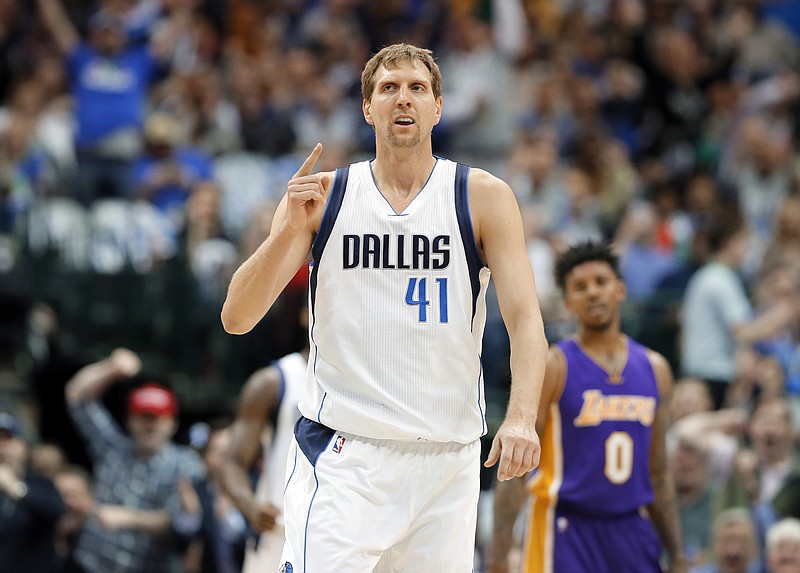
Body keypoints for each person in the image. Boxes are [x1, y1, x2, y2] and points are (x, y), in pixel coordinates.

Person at [221, 42, 548, 572]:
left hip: (448, 458)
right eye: (389, 88)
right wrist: (288, 231)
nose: (404, 99)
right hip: (348, 455)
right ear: (368, 108)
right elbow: (236, 318)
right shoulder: (323, 195)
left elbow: (526, 320)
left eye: (417, 88)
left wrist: (521, 418)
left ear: (438, 107)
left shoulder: (481, 195)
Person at [490, 241, 686, 573]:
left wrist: (677, 556)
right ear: (567, 302)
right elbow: (515, 468)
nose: (592, 292)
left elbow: (659, 474)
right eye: (580, 287)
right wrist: (498, 557)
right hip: (566, 525)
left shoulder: (656, 370)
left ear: (620, 290)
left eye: (601, 282)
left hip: (630, 527)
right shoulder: (554, 365)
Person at [64, 347, 204, 573]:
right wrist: (111, 369)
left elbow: (179, 522)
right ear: (130, 420)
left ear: (172, 423)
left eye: (158, 417)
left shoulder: (185, 463)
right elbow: (77, 396)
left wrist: (127, 517)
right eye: (143, 416)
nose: (150, 424)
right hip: (91, 564)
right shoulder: (112, 447)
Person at [220, 308, 308, 572]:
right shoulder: (272, 381)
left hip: (346, 532)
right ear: (306, 313)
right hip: (278, 533)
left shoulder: (364, 383)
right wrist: (250, 506)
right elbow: (231, 463)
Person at [0, 411, 66, 573]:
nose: (2, 448)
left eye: (6, 439)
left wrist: (16, 488)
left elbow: (57, 510)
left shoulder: (39, 483)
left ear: (21, 446)